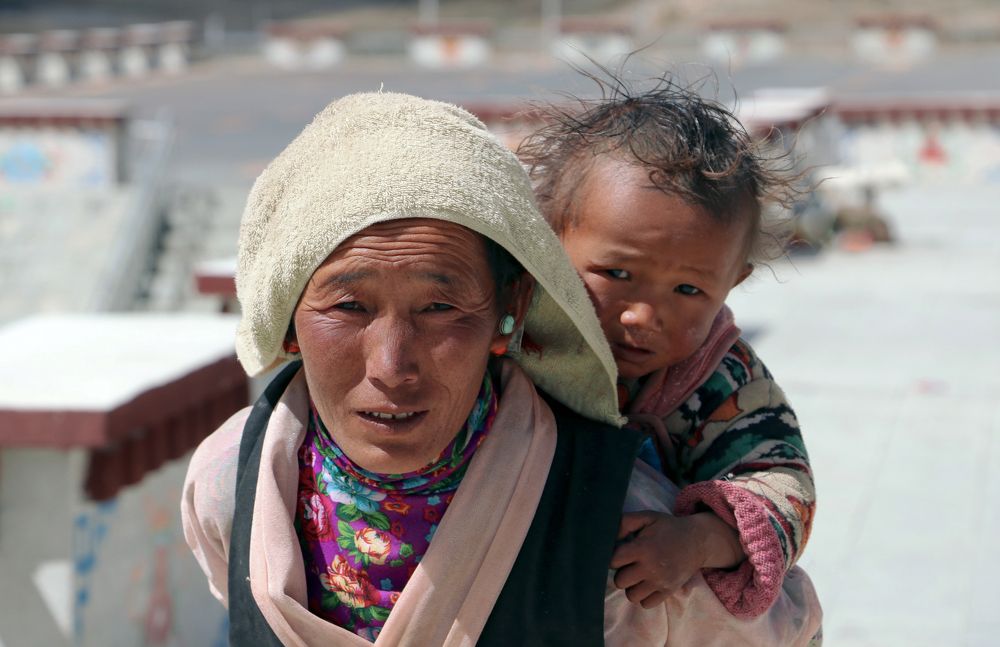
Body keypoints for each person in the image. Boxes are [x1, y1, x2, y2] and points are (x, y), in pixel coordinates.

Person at [182, 91, 820, 646]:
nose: (391, 365)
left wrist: (707, 540)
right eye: (348, 306)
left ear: (511, 307)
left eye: (441, 307)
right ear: (287, 312)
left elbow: (782, 573)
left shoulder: (620, 533)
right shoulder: (228, 487)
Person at [518, 75, 818, 620]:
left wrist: (698, 541)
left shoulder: (720, 379)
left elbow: (784, 486)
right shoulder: (515, 332)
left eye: (688, 290)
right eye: (616, 272)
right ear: (550, 238)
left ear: (732, 282)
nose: (642, 316)